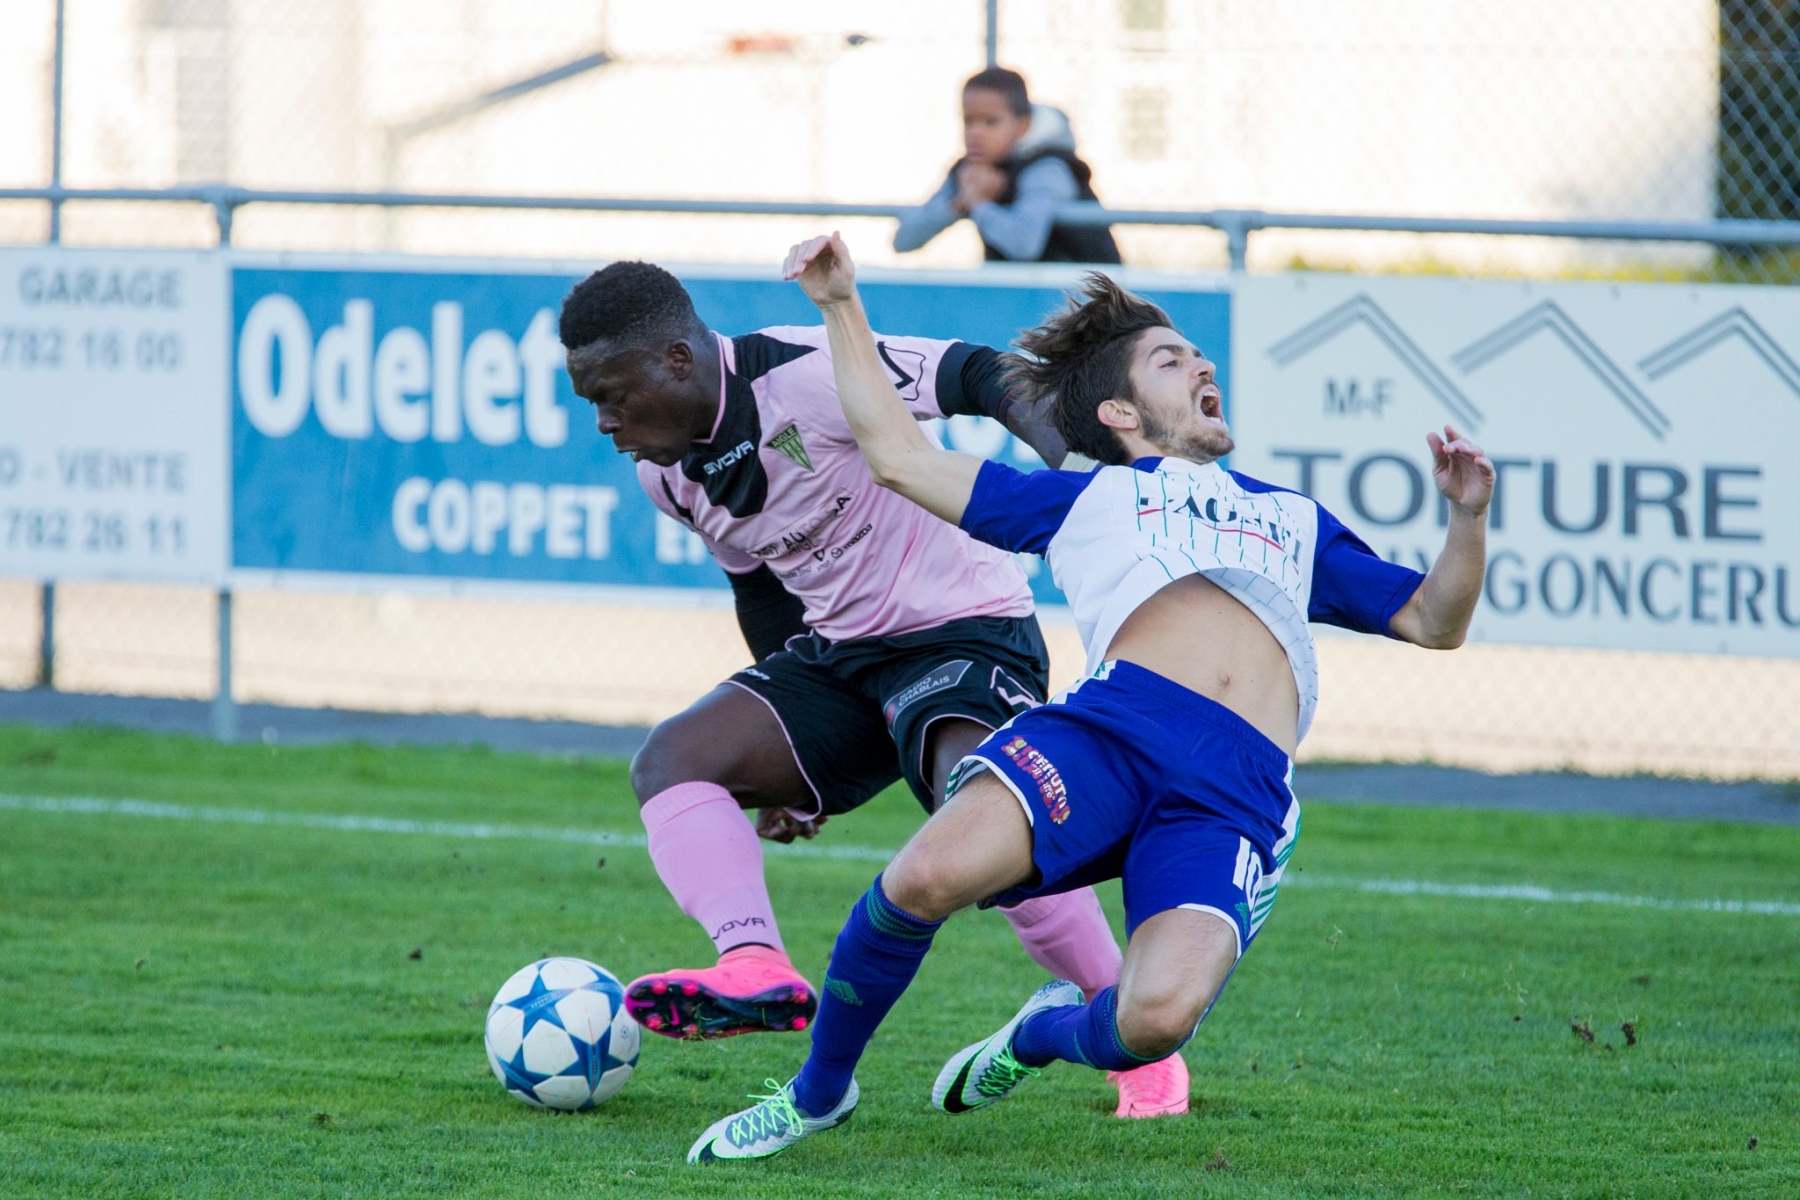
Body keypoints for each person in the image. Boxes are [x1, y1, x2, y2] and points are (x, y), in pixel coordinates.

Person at [686, 234, 1495, 1163]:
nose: (1201, 363)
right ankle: (815, 1096)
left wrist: (1465, 518)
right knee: (920, 879)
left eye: (1197, 354)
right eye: (1171, 357)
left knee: (1154, 1020)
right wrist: (840, 304)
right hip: (1110, 733)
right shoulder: (1089, 498)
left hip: (1236, 788)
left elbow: (1434, 620)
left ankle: (1037, 1034)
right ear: (1118, 409)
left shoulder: (1292, 516)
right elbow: (900, 458)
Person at [557, 260, 1190, 1118]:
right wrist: (792, 767)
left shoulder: (803, 370)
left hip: (963, 629)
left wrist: (1051, 427)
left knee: (990, 819)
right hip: (842, 657)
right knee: (672, 761)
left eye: (611, 394)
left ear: (677, 358)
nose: (603, 422)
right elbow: (763, 591)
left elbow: (967, 372)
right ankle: (753, 965)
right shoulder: (668, 476)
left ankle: (1132, 1041)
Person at [893, 67, 1121, 265]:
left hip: (1094, 306)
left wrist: (979, 206)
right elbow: (904, 240)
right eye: (968, 121)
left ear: (1023, 126)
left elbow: (1024, 244)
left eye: (990, 122)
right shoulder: (970, 172)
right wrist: (958, 204)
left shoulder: (1047, 169)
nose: (975, 133)